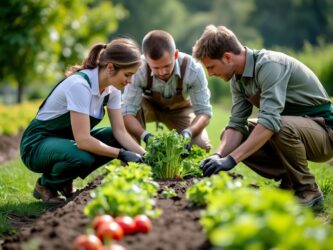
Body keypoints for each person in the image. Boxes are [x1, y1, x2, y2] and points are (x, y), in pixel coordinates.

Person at [193, 25, 333, 207]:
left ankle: (308, 190)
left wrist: (232, 159)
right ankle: (290, 181)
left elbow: (269, 122)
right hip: (297, 131)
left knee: (278, 125)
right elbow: (236, 124)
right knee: (233, 134)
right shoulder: (238, 79)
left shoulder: (270, 65)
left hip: (324, 132)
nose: (210, 74)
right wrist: (219, 155)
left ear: (227, 57)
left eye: (211, 67)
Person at [20, 38, 146, 205]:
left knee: (114, 138)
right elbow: (83, 141)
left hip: (66, 143)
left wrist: (145, 156)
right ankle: (46, 186)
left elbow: (120, 132)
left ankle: (64, 182)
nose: (130, 81)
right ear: (110, 68)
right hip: (36, 144)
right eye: (127, 75)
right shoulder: (79, 86)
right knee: (81, 156)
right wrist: (121, 154)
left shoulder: (112, 90)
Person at [122, 30, 212, 154]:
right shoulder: (138, 69)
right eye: (156, 68)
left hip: (180, 111)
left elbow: (204, 113)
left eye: (166, 66)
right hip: (148, 108)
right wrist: (145, 136)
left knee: (200, 146)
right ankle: (133, 158)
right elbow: (127, 113)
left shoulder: (193, 69)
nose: (162, 72)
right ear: (146, 60)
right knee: (131, 112)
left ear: (175, 55)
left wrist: (189, 132)